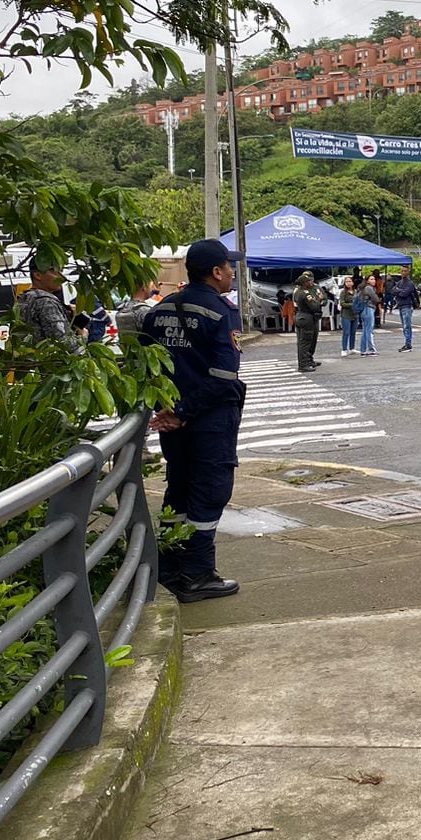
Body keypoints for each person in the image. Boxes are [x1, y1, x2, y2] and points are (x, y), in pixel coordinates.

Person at [140, 239, 244, 603]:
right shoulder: (220, 312)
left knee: (179, 490)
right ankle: (199, 573)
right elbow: (223, 377)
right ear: (216, 272)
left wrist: (171, 412)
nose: (232, 272)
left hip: (175, 422)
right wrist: (184, 412)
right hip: (208, 420)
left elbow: (150, 369)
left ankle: (168, 568)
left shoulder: (159, 311)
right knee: (210, 492)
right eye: (229, 266)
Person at [16, 257, 76, 344]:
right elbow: (62, 344)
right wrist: (83, 336)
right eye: (55, 271)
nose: (62, 277)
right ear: (37, 275)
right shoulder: (46, 302)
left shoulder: (23, 299)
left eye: (61, 271)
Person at [291, 271, 324, 371]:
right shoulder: (305, 293)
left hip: (300, 316)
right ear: (304, 283)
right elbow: (314, 306)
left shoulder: (297, 292)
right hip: (307, 318)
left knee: (302, 342)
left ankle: (306, 362)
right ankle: (303, 365)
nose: (310, 283)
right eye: (308, 281)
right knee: (305, 343)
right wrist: (318, 299)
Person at [391, 266, 420, 351]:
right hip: (401, 305)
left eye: (405, 271)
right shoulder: (400, 282)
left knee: (407, 326)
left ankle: (408, 344)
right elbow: (392, 291)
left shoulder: (410, 283)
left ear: (408, 272)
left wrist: (398, 291)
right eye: (402, 271)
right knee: (404, 326)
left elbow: (404, 294)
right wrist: (400, 291)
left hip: (407, 305)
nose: (403, 272)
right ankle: (407, 343)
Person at [355, 274, 380, 356]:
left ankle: (363, 350)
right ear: (367, 281)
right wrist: (378, 299)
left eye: (374, 279)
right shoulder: (368, 288)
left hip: (364, 310)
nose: (374, 281)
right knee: (369, 330)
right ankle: (371, 349)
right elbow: (376, 299)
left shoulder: (362, 289)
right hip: (368, 309)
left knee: (365, 330)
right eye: (371, 279)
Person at [338, 275, 357, 355]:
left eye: (350, 281)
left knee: (353, 332)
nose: (348, 283)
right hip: (346, 314)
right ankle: (344, 349)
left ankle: (352, 348)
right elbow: (342, 303)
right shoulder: (343, 292)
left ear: (352, 283)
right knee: (346, 332)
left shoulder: (356, 291)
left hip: (355, 315)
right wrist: (351, 305)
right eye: (346, 282)